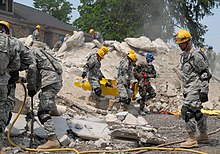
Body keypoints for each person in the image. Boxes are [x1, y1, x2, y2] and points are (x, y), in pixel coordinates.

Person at [175, 29, 211, 148]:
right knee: (196, 112)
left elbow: (205, 73)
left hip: (196, 89)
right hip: (189, 88)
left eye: (181, 43)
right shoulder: (186, 55)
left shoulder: (196, 55)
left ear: (188, 42)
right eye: (179, 44)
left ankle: (192, 139)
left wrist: (204, 91)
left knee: (187, 111)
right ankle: (204, 136)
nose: (180, 46)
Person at [27, 47, 63, 149]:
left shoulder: (30, 52)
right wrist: (33, 88)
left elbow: (32, 69)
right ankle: (53, 110)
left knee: (42, 112)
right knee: (44, 98)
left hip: (50, 81)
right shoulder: (40, 52)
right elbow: (40, 74)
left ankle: (53, 140)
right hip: (55, 80)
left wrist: (30, 87)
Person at [0, 20, 21, 150]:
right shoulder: (11, 42)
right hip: (2, 83)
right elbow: (16, 65)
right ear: (7, 31)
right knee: (3, 110)